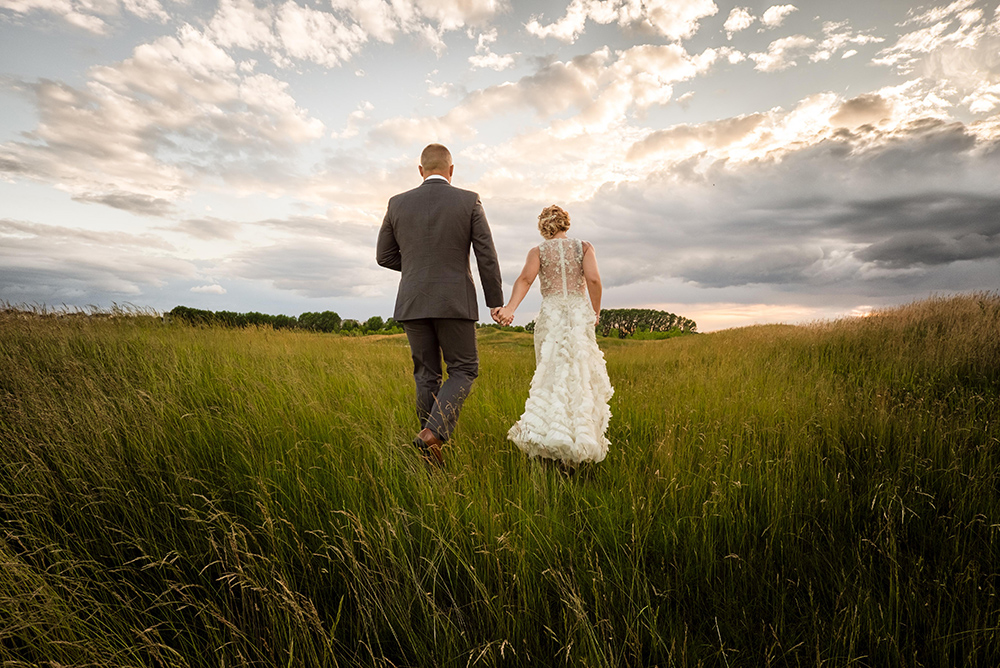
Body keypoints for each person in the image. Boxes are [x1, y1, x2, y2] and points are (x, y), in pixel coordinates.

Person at [376, 143, 505, 467]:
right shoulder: (468, 199)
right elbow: (485, 254)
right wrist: (495, 302)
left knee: (426, 374)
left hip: (413, 300)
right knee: (463, 369)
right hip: (455, 300)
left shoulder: (397, 203)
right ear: (451, 169)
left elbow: (384, 256)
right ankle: (432, 434)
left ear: (421, 170)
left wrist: (420, 269)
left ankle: (430, 451)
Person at [496, 205, 613, 465]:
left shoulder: (538, 251)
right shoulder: (583, 247)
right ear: (565, 224)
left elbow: (525, 280)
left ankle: (549, 438)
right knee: (578, 376)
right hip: (577, 316)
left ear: (543, 226)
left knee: (550, 376)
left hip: (551, 317)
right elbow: (593, 280)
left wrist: (510, 309)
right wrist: (595, 312)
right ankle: (579, 438)